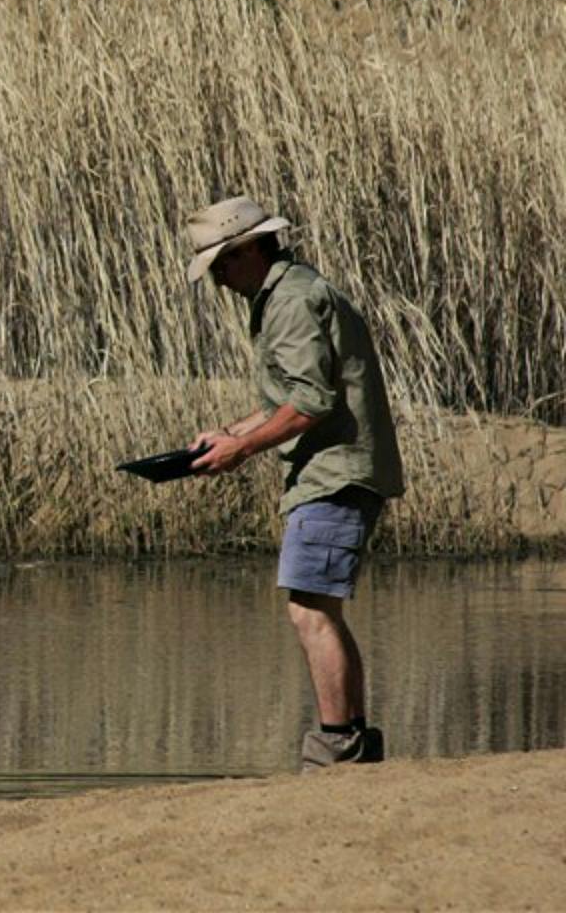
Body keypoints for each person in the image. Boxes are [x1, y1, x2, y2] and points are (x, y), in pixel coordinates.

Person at [184, 195, 405, 771]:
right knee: (318, 606)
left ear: (253, 248)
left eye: (224, 264)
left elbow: (310, 401)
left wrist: (242, 448)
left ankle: (336, 747)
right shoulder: (290, 292)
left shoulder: (291, 300)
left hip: (333, 472)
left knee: (309, 609)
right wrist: (228, 432)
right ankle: (352, 741)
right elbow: (292, 399)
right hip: (334, 470)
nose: (220, 280)